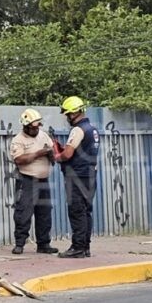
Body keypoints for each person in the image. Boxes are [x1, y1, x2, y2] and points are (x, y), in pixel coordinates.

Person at [54, 96, 99, 258]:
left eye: (68, 114)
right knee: (86, 211)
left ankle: (78, 247)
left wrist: (57, 155)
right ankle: (85, 247)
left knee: (77, 211)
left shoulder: (78, 130)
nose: (67, 118)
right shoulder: (92, 129)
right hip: (90, 175)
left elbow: (67, 154)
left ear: (74, 113)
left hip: (77, 176)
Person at [9, 109, 58, 255]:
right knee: (23, 212)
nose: (36, 129)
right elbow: (18, 160)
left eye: (38, 127)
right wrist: (38, 153)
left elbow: (54, 152)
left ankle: (43, 244)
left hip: (43, 180)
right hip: (27, 180)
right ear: (26, 126)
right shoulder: (18, 140)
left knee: (45, 212)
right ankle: (19, 243)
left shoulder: (43, 135)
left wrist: (52, 154)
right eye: (33, 127)